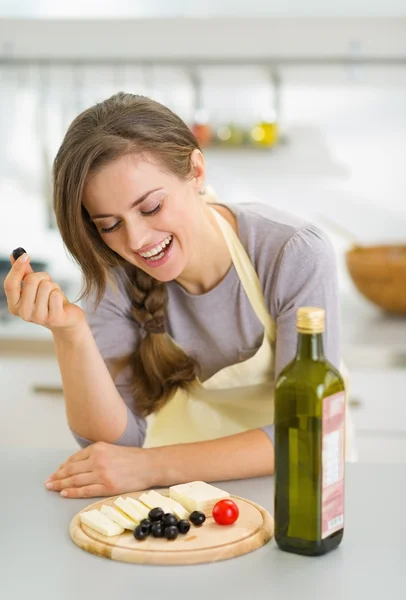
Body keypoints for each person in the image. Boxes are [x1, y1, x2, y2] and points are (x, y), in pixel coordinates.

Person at [4, 92, 343, 499]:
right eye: (110, 225)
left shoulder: (292, 253)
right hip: (184, 499)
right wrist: (70, 333)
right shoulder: (114, 279)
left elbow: (305, 431)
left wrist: (152, 467)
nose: (137, 240)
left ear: (196, 170)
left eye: (150, 207)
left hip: (297, 490)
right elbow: (115, 446)